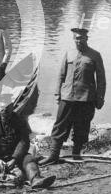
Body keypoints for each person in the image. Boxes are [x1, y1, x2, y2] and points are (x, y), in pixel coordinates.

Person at [43, 28, 106, 164]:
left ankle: (76, 155)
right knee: (60, 125)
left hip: (86, 98)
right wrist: (57, 93)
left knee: (82, 127)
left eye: (81, 38)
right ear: (74, 39)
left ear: (86, 39)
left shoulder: (95, 55)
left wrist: (100, 98)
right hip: (67, 97)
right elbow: (61, 74)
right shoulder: (69, 53)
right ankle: (53, 156)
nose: (79, 41)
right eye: (76, 38)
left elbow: (101, 79)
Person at [0, 103, 56, 192]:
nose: (5, 109)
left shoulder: (19, 119)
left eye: (7, 107)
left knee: (28, 158)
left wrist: (15, 158)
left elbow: (24, 141)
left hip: (14, 154)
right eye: (2, 107)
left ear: (12, 107)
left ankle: (36, 180)